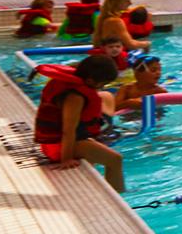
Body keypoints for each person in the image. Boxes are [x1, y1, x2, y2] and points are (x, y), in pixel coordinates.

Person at [32, 54, 125, 192]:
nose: (102, 87)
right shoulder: (75, 96)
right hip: (57, 147)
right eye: (102, 84)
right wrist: (66, 159)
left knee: (98, 151)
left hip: (62, 142)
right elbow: (68, 130)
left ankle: (110, 190)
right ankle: (120, 195)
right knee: (115, 159)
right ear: (90, 80)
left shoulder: (77, 85)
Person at [91, 0, 149, 66]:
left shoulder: (103, 18)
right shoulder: (115, 21)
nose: (130, 3)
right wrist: (146, 44)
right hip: (114, 63)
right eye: (127, 0)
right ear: (117, 2)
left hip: (104, 60)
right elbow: (131, 45)